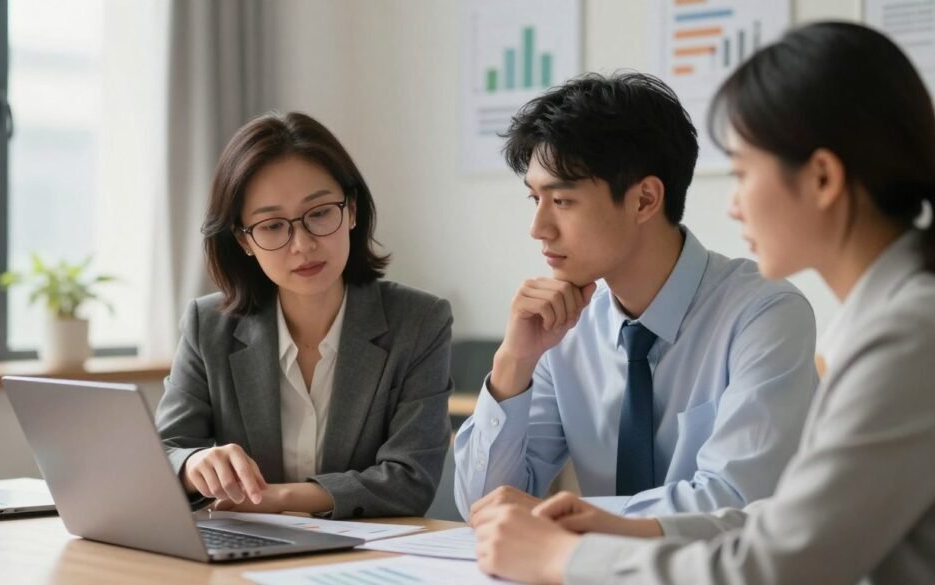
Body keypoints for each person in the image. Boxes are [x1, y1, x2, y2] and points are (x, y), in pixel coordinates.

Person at [472, 21, 935, 584]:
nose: (734, 205)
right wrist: (513, 366)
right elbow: (783, 522)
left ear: (821, 178)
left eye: (742, 173)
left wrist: (562, 556)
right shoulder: (896, 320)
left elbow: (780, 559)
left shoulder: (905, 335)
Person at [455, 72, 819, 520]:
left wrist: (568, 517)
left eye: (562, 201)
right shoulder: (562, 328)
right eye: (535, 200)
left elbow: (733, 500)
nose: (538, 229)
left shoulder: (765, 314)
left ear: (645, 200)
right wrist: (514, 362)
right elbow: (484, 507)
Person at [156, 112, 453, 519]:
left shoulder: (419, 321)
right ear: (244, 240)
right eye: (273, 226)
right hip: (242, 558)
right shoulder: (208, 324)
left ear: (350, 210)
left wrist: (276, 499)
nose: (302, 244)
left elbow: (410, 480)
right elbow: (166, 449)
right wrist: (193, 465)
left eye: (319, 214)